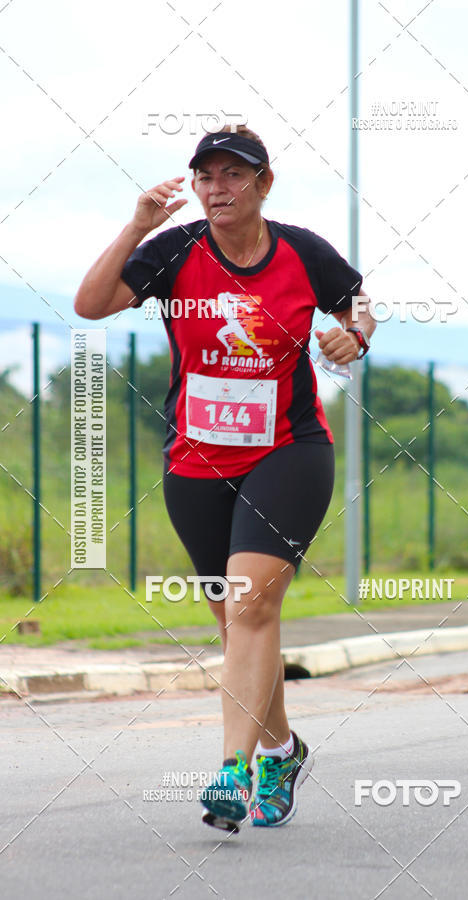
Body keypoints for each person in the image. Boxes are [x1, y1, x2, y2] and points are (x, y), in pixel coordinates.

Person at [74, 125, 376, 833]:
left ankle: (232, 773)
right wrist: (136, 225)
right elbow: (91, 304)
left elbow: (357, 301)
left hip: (288, 451)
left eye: (234, 176)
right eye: (206, 177)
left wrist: (354, 335)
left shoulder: (302, 251)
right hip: (196, 462)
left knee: (250, 607)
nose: (218, 189)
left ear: (263, 183)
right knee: (241, 623)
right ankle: (280, 747)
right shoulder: (174, 249)